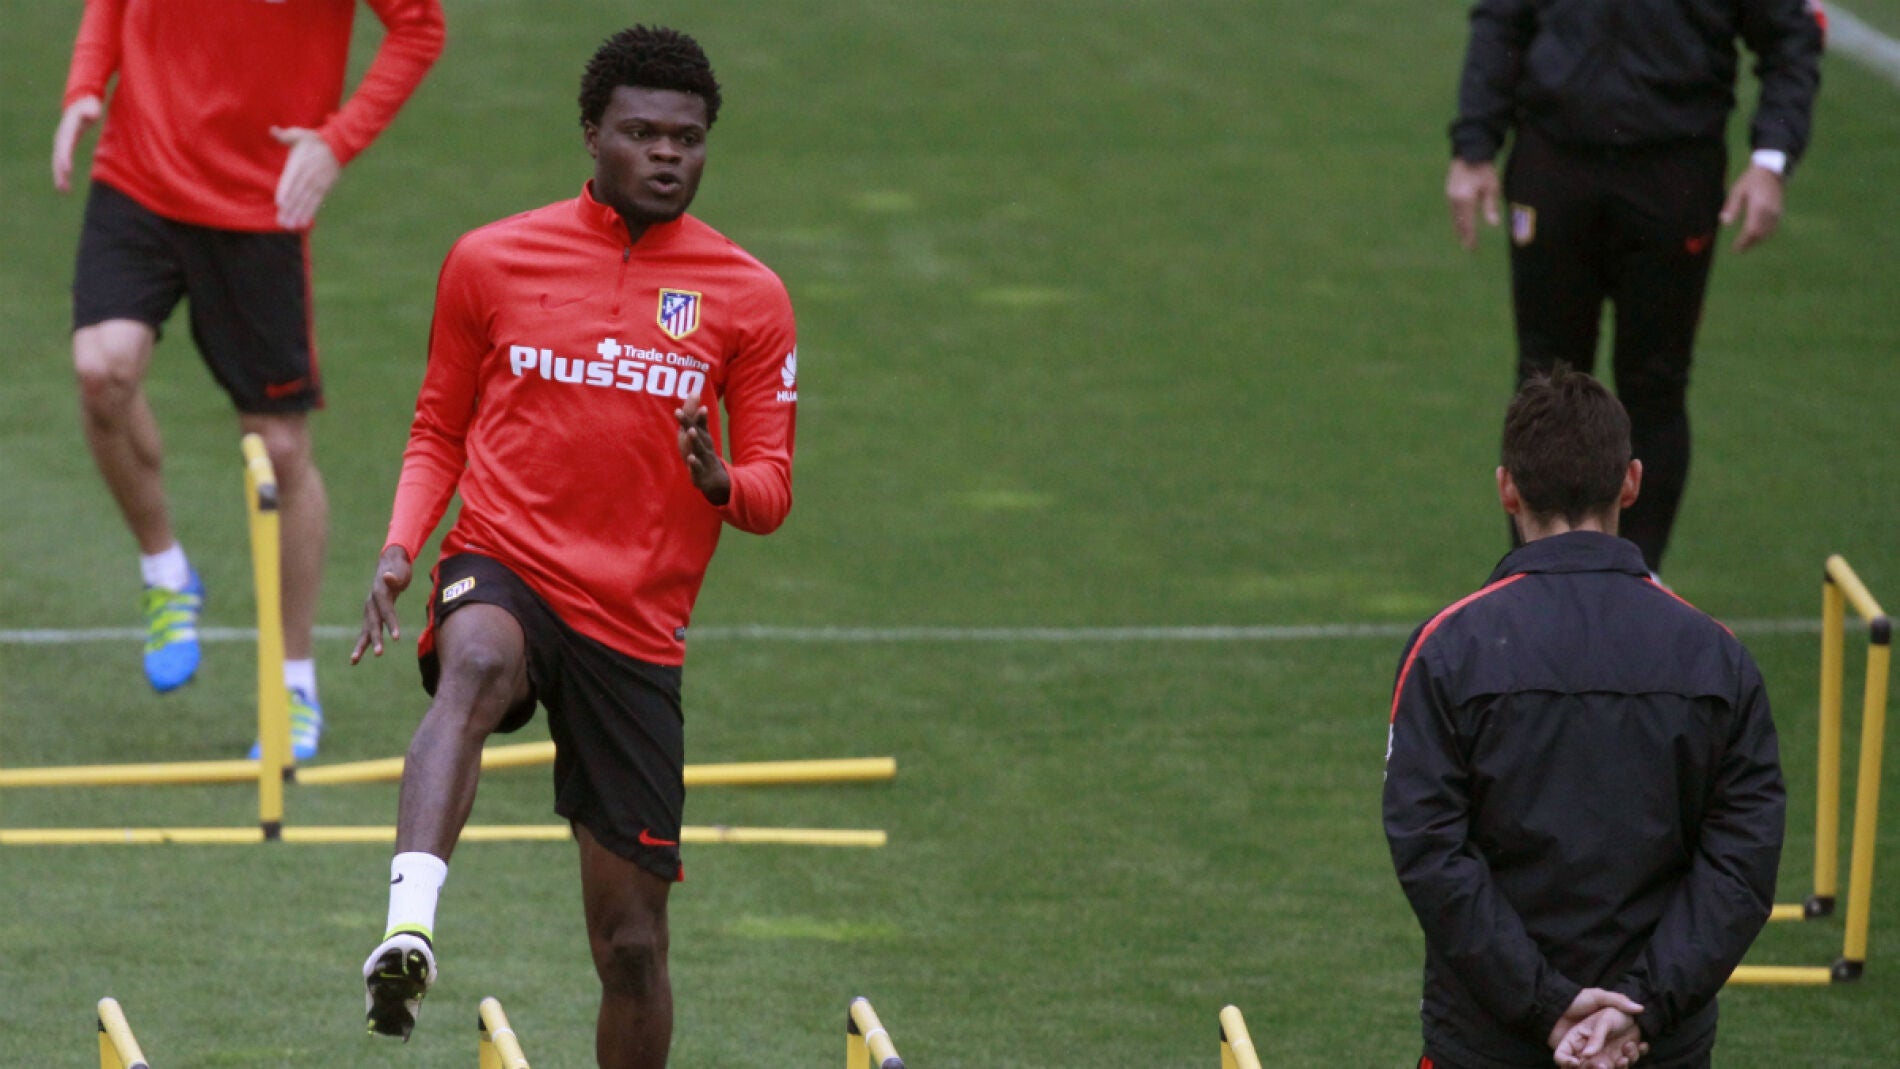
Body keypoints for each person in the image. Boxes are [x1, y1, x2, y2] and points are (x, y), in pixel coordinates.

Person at [350, 26, 798, 1069]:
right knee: (476, 659)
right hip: (508, 558)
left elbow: (773, 492)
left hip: (636, 623)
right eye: (641, 132)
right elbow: (437, 426)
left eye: (687, 138)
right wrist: (401, 546)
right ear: (592, 134)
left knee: (632, 946)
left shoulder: (748, 295)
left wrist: (717, 479)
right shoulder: (490, 259)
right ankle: (408, 923)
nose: (666, 154)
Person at [52, 0, 446, 759]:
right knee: (101, 368)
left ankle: (293, 684)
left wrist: (337, 143)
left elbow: (421, 27)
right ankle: (167, 572)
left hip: (258, 202)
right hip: (138, 172)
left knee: (280, 451)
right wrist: (83, 86)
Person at [1384, 366, 1785, 1069]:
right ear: (1631, 482)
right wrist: (1640, 1009)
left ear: (1507, 487)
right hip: (1657, 1045)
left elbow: (1432, 853)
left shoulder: (1446, 649)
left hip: (1487, 1042)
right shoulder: (1717, 657)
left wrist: (1546, 1004)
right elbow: (1741, 865)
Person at [1444, 0, 1823, 575]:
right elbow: (1501, 17)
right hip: (1555, 163)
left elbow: (1791, 34)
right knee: (1542, 382)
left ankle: (1638, 583)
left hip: (1674, 171)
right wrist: (1474, 144)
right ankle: (1533, 577)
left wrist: (1772, 159)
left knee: (1656, 383)